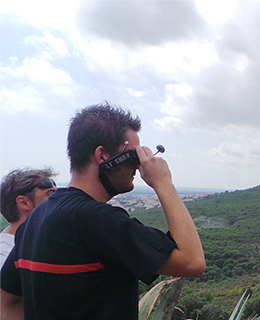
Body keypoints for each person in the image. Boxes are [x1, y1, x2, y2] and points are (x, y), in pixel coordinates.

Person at [1, 103, 206, 319]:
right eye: (132, 155)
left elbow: (6, 303)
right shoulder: (99, 219)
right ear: (103, 155)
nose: (138, 166)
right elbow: (193, 261)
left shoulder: (36, 218)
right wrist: (163, 183)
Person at [0, 168, 57, 269]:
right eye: (51, 194)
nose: (58, 199)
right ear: (23, 203)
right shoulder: (4, 254)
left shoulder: (31, 244)